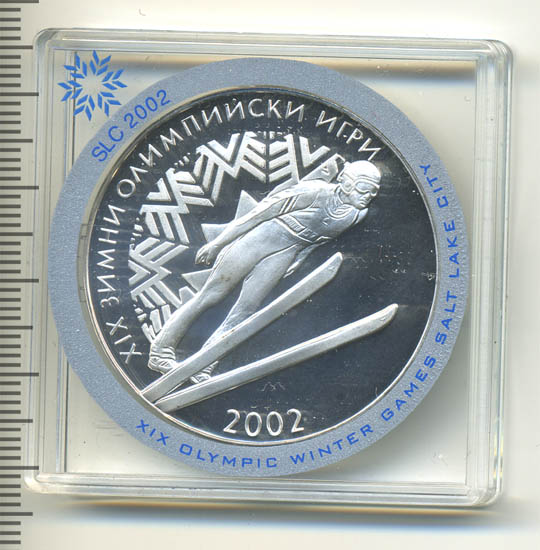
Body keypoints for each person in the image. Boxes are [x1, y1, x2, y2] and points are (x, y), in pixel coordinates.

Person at [148, 160, 382, 376]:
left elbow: (317, 241)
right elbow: (256, 215)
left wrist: (297, 260)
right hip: (259, 239)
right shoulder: (313, 192)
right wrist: (217, 244)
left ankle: (205, 365)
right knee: (211, 296)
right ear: (345, 182)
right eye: (363, 188)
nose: (367, 196)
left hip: (285, 253)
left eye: (373, 192)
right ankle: (160, 352)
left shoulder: (356, 214)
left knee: (246, 310)